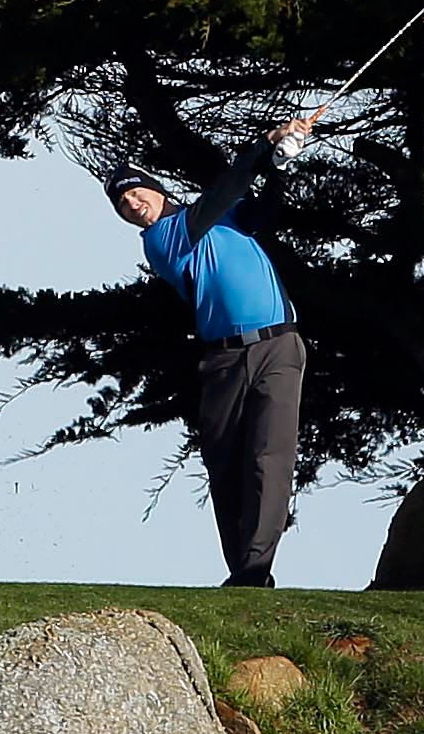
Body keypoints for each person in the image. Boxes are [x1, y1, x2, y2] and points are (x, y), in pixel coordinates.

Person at [105, 106, 316, 585]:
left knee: (271, 457)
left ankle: (255, 570)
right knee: (225, 464)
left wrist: (282, 163)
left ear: (156, 189)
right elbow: (226, 190)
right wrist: (266, 143)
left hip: (279, 346)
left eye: (136, 192)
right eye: (123, 205)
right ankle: (242, 565)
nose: (133, 203)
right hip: (223, 358)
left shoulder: (223, 219)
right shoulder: (164, 237)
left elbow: (261, 211)